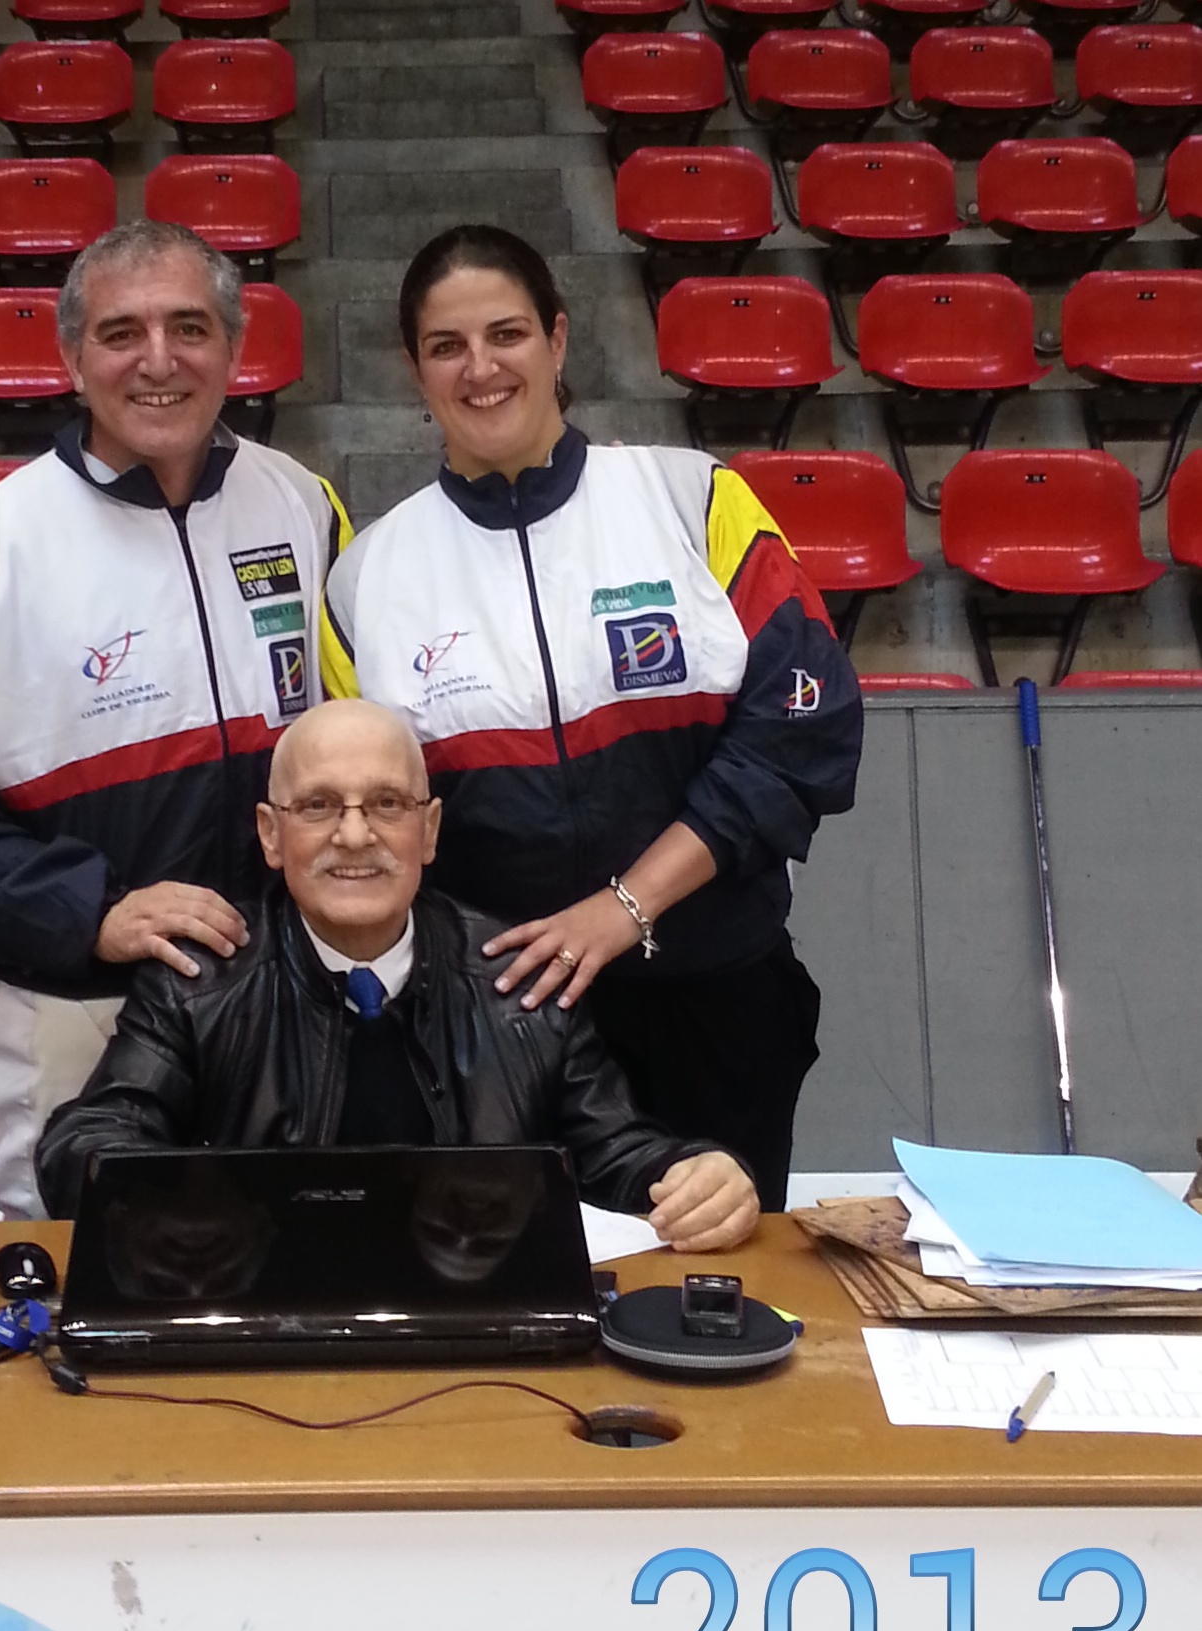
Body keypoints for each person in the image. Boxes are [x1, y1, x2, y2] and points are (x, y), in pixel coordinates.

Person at [319, 225, 863, 1210]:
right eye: (446, 346)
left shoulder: (694, 501)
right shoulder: (366, 579)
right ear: (413, 368)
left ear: (557, 339)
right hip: (496, 1025)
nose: (480, 368)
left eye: (506, 334)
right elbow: (365, 815)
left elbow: (800, 731)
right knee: (518, 1288)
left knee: (713, 1275)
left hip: (714, 997)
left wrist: (624, 907)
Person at [0, 218, 350, 1215]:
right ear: (71, 358)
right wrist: (94, 913)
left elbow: (363, 746)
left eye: (189, 328)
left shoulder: (301, 506)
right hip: (80, 1020)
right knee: (77, 1291)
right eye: (122, 333)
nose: (158, 361)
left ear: (233, 346)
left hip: (286, 1004)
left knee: (293, 1272)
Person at [36, 698, 759, 1253]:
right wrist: (195, 1200)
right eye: (318, 806)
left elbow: (621, 1155)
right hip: (268, 1322)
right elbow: (86, 1143)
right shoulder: (198, 982)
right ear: (270, 834)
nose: (355, 835)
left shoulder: (521, 983)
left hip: (474, 1324)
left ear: (430, 830)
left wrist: (698, 1175)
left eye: (387, 803)